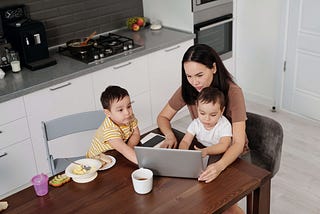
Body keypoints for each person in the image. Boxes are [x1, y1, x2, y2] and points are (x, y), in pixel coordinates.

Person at [157, 44, 247, 214]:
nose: (194, 82)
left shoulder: (233, 92)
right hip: (202, 148)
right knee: (176, 190)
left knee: (223, 203)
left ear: (213, 68)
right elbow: (162, 117)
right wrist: (169, 135)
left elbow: (238, 142)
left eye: (199, 75)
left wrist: (219, 166)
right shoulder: (189, 88)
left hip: (230, 151)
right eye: (189, 76)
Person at [86, 85, 140, 164]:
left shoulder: (129, 117)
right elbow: (124, 150)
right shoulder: (109, 129)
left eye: (129, 106)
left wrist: (130, 146)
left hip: (116, 153)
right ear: (108, 113)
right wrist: (145, 164)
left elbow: (136, 133)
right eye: (120, 110)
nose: (127, 112)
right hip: (98, 160)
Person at [179, 87, 232, 157]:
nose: (207, 119)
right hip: (203, 150)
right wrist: (183, 153)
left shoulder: (224, 125)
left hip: (221, 153)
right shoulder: (196, 123)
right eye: (202, 113)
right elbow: (185, 141)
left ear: (222, 111)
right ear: (197, 107)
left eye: (213, 115)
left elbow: (223, 145)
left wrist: (206, 150)